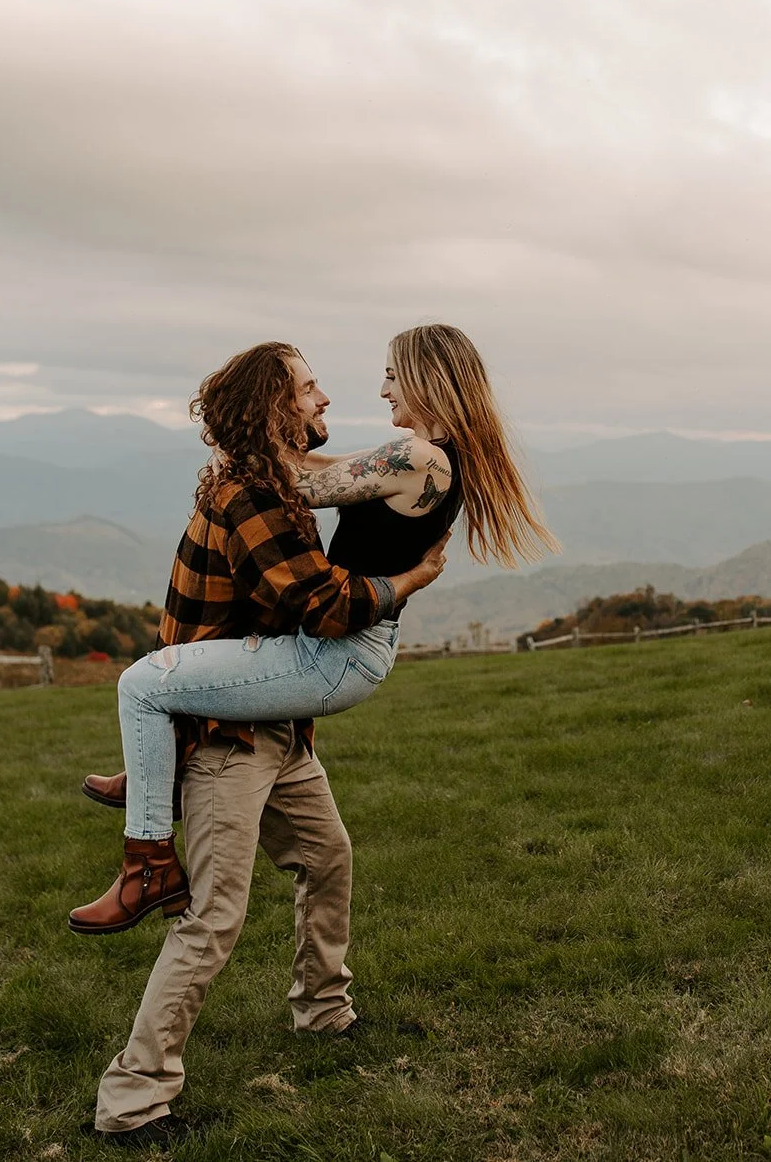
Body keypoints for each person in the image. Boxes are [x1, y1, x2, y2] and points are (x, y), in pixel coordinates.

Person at [71, 324, 557, 939]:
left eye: (390, 374)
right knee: (174, 691)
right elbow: (328, 469)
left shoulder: (419, 457)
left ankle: (148, 864)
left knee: (142, 684)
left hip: (340, 649)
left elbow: (299, 483)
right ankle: (153, 777)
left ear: (423, 378)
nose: (382, 390)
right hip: (347, 646)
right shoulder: (426, 457)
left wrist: (241, 437)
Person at [86, 340, 448, 1143]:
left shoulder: (272, 483)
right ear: (276, 406)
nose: (326, 399)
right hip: (229, 739)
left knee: (327, 857)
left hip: (277, 728)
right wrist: (408, 583)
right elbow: (319, 607)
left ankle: (323, 1012)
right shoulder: (251, 492)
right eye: (310, 388)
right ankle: (132, 1099)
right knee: (213, 915)